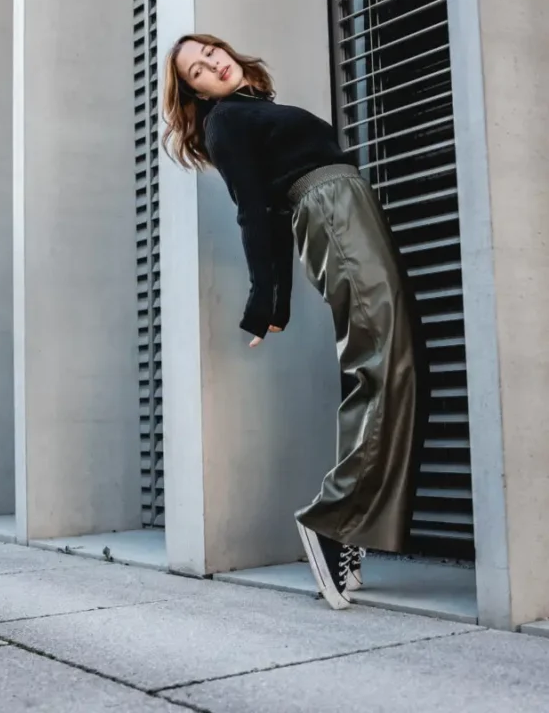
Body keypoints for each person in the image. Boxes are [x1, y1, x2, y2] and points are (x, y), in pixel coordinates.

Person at [162, 33, 428, 611]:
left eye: (212, 52)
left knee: (399, 361)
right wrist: (268, 301)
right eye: (197, 70)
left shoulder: (257, 108)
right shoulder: (225, 123)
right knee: (387, 360)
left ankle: (346, 524)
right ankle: (332, 520)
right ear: (194, 93)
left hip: (347, 205)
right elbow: (255, 209)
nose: (212, 63)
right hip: (332, 212)